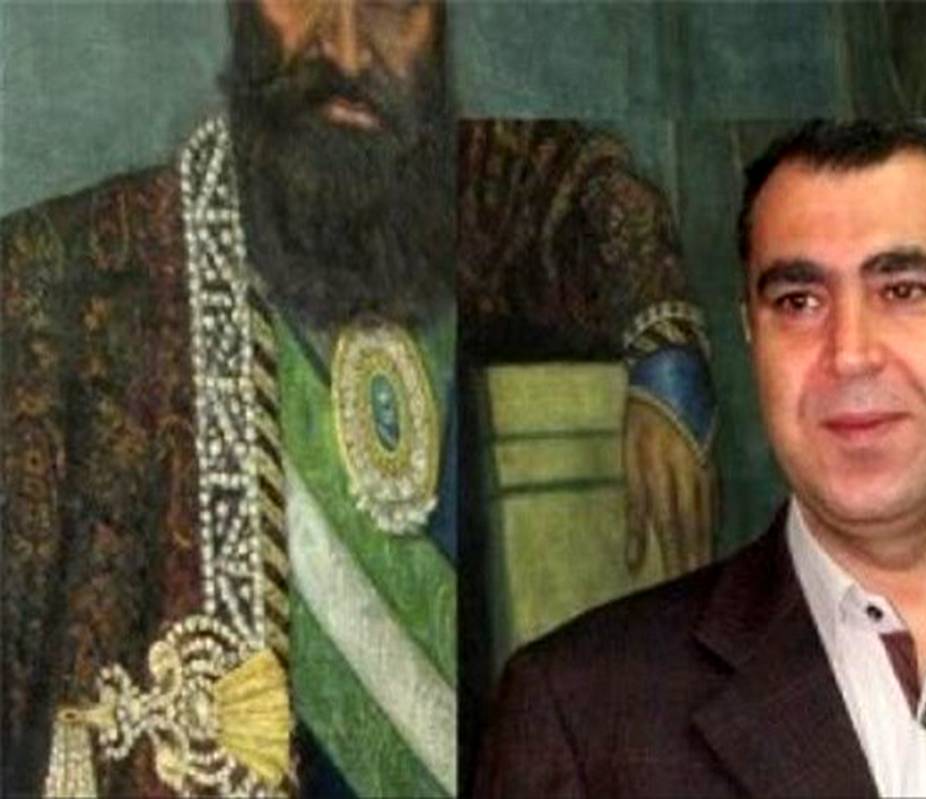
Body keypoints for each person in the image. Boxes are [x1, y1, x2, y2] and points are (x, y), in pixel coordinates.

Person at [0, 1, 715, 796]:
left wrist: (666, 359)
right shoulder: (53, 288)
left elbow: (585, 190)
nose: (343, 48)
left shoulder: (463, 202)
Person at [476, 120, 926, 797]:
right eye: (799, 301)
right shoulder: (582, 713)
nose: (850, 353)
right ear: (752, 341)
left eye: (903, 290)